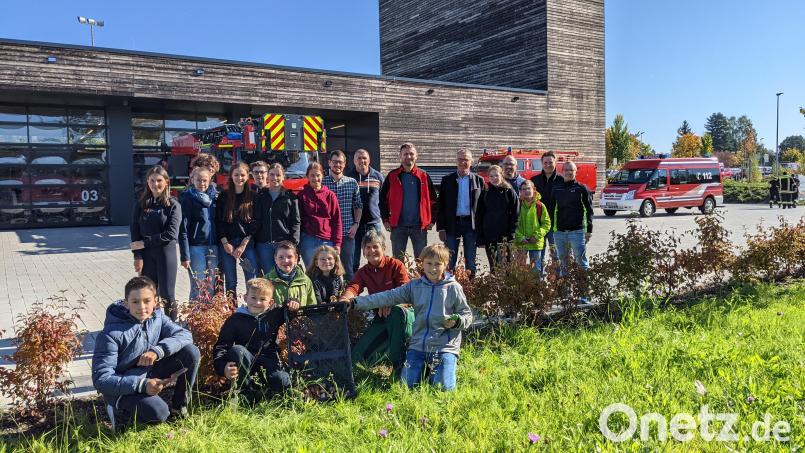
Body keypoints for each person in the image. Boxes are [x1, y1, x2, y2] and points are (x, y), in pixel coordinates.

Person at [348, 244, 472, 391]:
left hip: (444, 347)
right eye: (429, 263)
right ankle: (425, 371)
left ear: (445, 265)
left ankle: (436, 371)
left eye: (438, 264)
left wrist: (457, 321)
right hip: (418, 346)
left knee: (443, 389)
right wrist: (355, 303)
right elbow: (387, 296)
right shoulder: (414, 286)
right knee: (406, 388)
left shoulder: (453, 288)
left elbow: (467, 315)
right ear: (422, 263)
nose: (433, 269)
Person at [92, 276, 200, 426]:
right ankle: (119, 413)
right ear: (126, 304)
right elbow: (101, 379)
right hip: (123, 387)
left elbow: (185, 335)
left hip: (149, 372)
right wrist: (142, 385)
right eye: (135, 302)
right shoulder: (110, 335)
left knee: (191, 352)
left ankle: (179, 407)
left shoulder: (157, 317)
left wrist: (158, 351)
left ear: (155, 301)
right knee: (160, 412)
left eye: (147, 301)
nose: (142, 307)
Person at [213, 278, 299, 404]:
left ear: (271, 302)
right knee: (238, 350)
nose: (257, 302)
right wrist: (223, 368)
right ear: (245, 297)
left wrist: (293, 302)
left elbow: (288, 309)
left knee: (280, 381)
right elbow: (221, 347)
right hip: (246, 360)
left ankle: (274, 394)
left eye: (263, 299)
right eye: (253, 298)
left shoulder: (273, 314)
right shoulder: (235, 319)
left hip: (269, 359)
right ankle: (246, 392)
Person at [339, 229, 413, 374]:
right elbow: (354, 287)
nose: (372, 250)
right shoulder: (363, 271)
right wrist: (345, 298)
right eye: (368, 247)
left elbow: (406, 293)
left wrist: (391, 303)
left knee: (396, 313)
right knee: (357, 357)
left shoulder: (396, 265)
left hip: (403, 316)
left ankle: (398, 366)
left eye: (375, 246)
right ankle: (387, 354)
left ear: (383, 248)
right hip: (381, 318)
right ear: (363, 251)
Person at [130, 165, 182, 319]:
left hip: (166, 255)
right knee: (148, 293)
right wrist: (137, 256)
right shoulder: (140, 205)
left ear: (166, 182)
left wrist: (145, 243)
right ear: (147, 182)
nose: (155, 184)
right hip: (147, 257)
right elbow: (134, 230)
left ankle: (172, 327)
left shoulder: (173, 205)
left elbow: (171, 234)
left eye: (159, 180)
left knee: (166, 295)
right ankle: (150, 325)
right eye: (152, 181)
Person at [380, 142, 438, 261]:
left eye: (411, 154)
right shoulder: (392, 176)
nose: (409, 156)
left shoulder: (424, 176)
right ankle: (400, 280)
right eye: (405, 154)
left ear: (416, 156)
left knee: (422, 261)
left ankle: (421, 280)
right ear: (400, 156)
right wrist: (385, 219)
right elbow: (382, 200)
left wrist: (432, 220)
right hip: (398, 226)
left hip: (419, 226)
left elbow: (434, 200)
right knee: (398, 261)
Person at [437, 149, 485, 276]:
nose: (463, 162)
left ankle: (471, 288)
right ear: (456, 161)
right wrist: (441, 227)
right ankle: (448, 286)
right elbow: (440, 205)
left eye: (466, 159)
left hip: (471, 225)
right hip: (452, 224)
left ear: (471, 162)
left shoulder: (479, 181)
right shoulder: (447, 180)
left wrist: (482, 229)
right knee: (449, 260)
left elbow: (483, 207)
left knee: (470, 260)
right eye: (460, 159)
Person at [216, 161, 260, 296]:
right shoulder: (223, 196)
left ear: (247, 176)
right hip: (227, 244)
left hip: (247, 244)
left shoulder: (253, 196)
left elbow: (255, 222)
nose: (239, 178)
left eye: (242, 175)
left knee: (252, 279)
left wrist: (243, 245)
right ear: (231, 176)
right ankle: (232, 312)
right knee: (230, 282)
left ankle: (252, 310)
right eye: (236, 175)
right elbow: (218, 221)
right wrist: (225, 243)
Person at [252, 162, 301, 277]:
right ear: (268, 176)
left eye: (278, 175)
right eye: (272, 175)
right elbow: (256, 219)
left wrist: (294, 243)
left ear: (283, 176)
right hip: (264, 244)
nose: (275, 178)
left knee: (285, 276)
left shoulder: (290, 197)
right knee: (269, 277)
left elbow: (296, 222)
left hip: (283, 244)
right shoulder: (260, 196)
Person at [179, 167, 219, 300]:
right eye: (198, 180)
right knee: (198, 285)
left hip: (213, 246)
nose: (202, 183)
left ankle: (208, 318)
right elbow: (183, 228)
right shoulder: (188, 198)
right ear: (192, 180)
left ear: (210, 180)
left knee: (211, 285)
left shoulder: (214, 197)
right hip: (196, 248)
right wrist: (185, 255)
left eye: (205, 180)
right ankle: (195, 318)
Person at [323, 150, 363, 281]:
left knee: (348, 270)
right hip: (327, 235)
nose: (337, 165)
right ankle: (330, 299)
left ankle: (348, 299)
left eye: (340, 162)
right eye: (334, 162)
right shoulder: (322, 183)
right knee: (327, 269)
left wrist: (356, 225)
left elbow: (358, 205)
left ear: (345, 164)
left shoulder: (351, 183)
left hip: (347, 233)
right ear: (329, 163)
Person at [346, 148, 385, 273]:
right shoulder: (348, 178)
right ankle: (351, 285)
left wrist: (386, 218)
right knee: (354, 258)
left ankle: (379, 282)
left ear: (369, 160)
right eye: (358, 158)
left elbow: (384, 199)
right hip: (355, 225)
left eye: (364, 158)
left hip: (374, 223)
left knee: (376, 256)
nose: (361, 160)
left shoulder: (378, 176)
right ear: (354, 160)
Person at [551, 161, 593, 274]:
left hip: (577, 232)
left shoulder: (582, 189)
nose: (569, 172)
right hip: (559, 233)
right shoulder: (556, 189)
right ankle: (566, 292)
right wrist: (552, 229)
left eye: (571, 170)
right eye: (566, 170)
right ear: (562, 171)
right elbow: (551, 210)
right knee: (564, 265)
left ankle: (583, 291)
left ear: (576, 172)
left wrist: (589, 230)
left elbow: (589, 210)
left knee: (582, 264)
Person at [298, 162, 342, 268]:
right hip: (308, 239)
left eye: (318, 175)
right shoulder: (302, 195)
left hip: (327, 240)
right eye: (312, 175)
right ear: (307, 177)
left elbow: (337, 221)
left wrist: (337, 243)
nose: (315, 178)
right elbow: (298, 220)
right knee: (311, 272)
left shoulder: (330, 195)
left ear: (322, 176)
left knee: (328, 271)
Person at [477, 165, 519, 271]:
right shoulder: (485, 193)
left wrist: (512, 233)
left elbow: (516, 214)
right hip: (489, 236)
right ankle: (495, 287)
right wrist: (480, 237)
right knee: (494, 266)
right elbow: (479, 215)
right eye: (491, 176)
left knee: (507, 265)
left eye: (496, 175)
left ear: (501, 175)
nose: (494, 178)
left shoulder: (509, 192)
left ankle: (507, 287)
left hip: (505, 236)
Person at [531, 151, 563, 271]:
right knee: (538, 257)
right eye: (545, 162)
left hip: (556, 225)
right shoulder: (534, 181)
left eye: (550, 162)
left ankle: (558, 285)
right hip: (538, 225)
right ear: (542, 164)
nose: (548, 165)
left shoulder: (562, 180)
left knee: (557, 256)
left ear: (555, 162)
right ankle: (539, 285)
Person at [514, 180, 551, 276]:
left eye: (528, 188)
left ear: (534, 189)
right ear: (520, 191)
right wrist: (519, 237)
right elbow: (512, 224)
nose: (526, 191)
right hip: (521, 243)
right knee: (519, 271)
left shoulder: (540, 206)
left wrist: (536, 236)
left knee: (536, 271)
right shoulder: (517, 205)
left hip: (536, 243)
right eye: (523, 189)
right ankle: (521, 291)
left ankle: (536, 291)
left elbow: (546, 224)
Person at [266, 240, 317, 306]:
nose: (285, 260)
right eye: (281, 257)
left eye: (289, 257)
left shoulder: (305, 280)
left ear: (296, 259)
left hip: (300, 316)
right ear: (275, 259)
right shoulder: (267, 281)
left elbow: (312, 306)